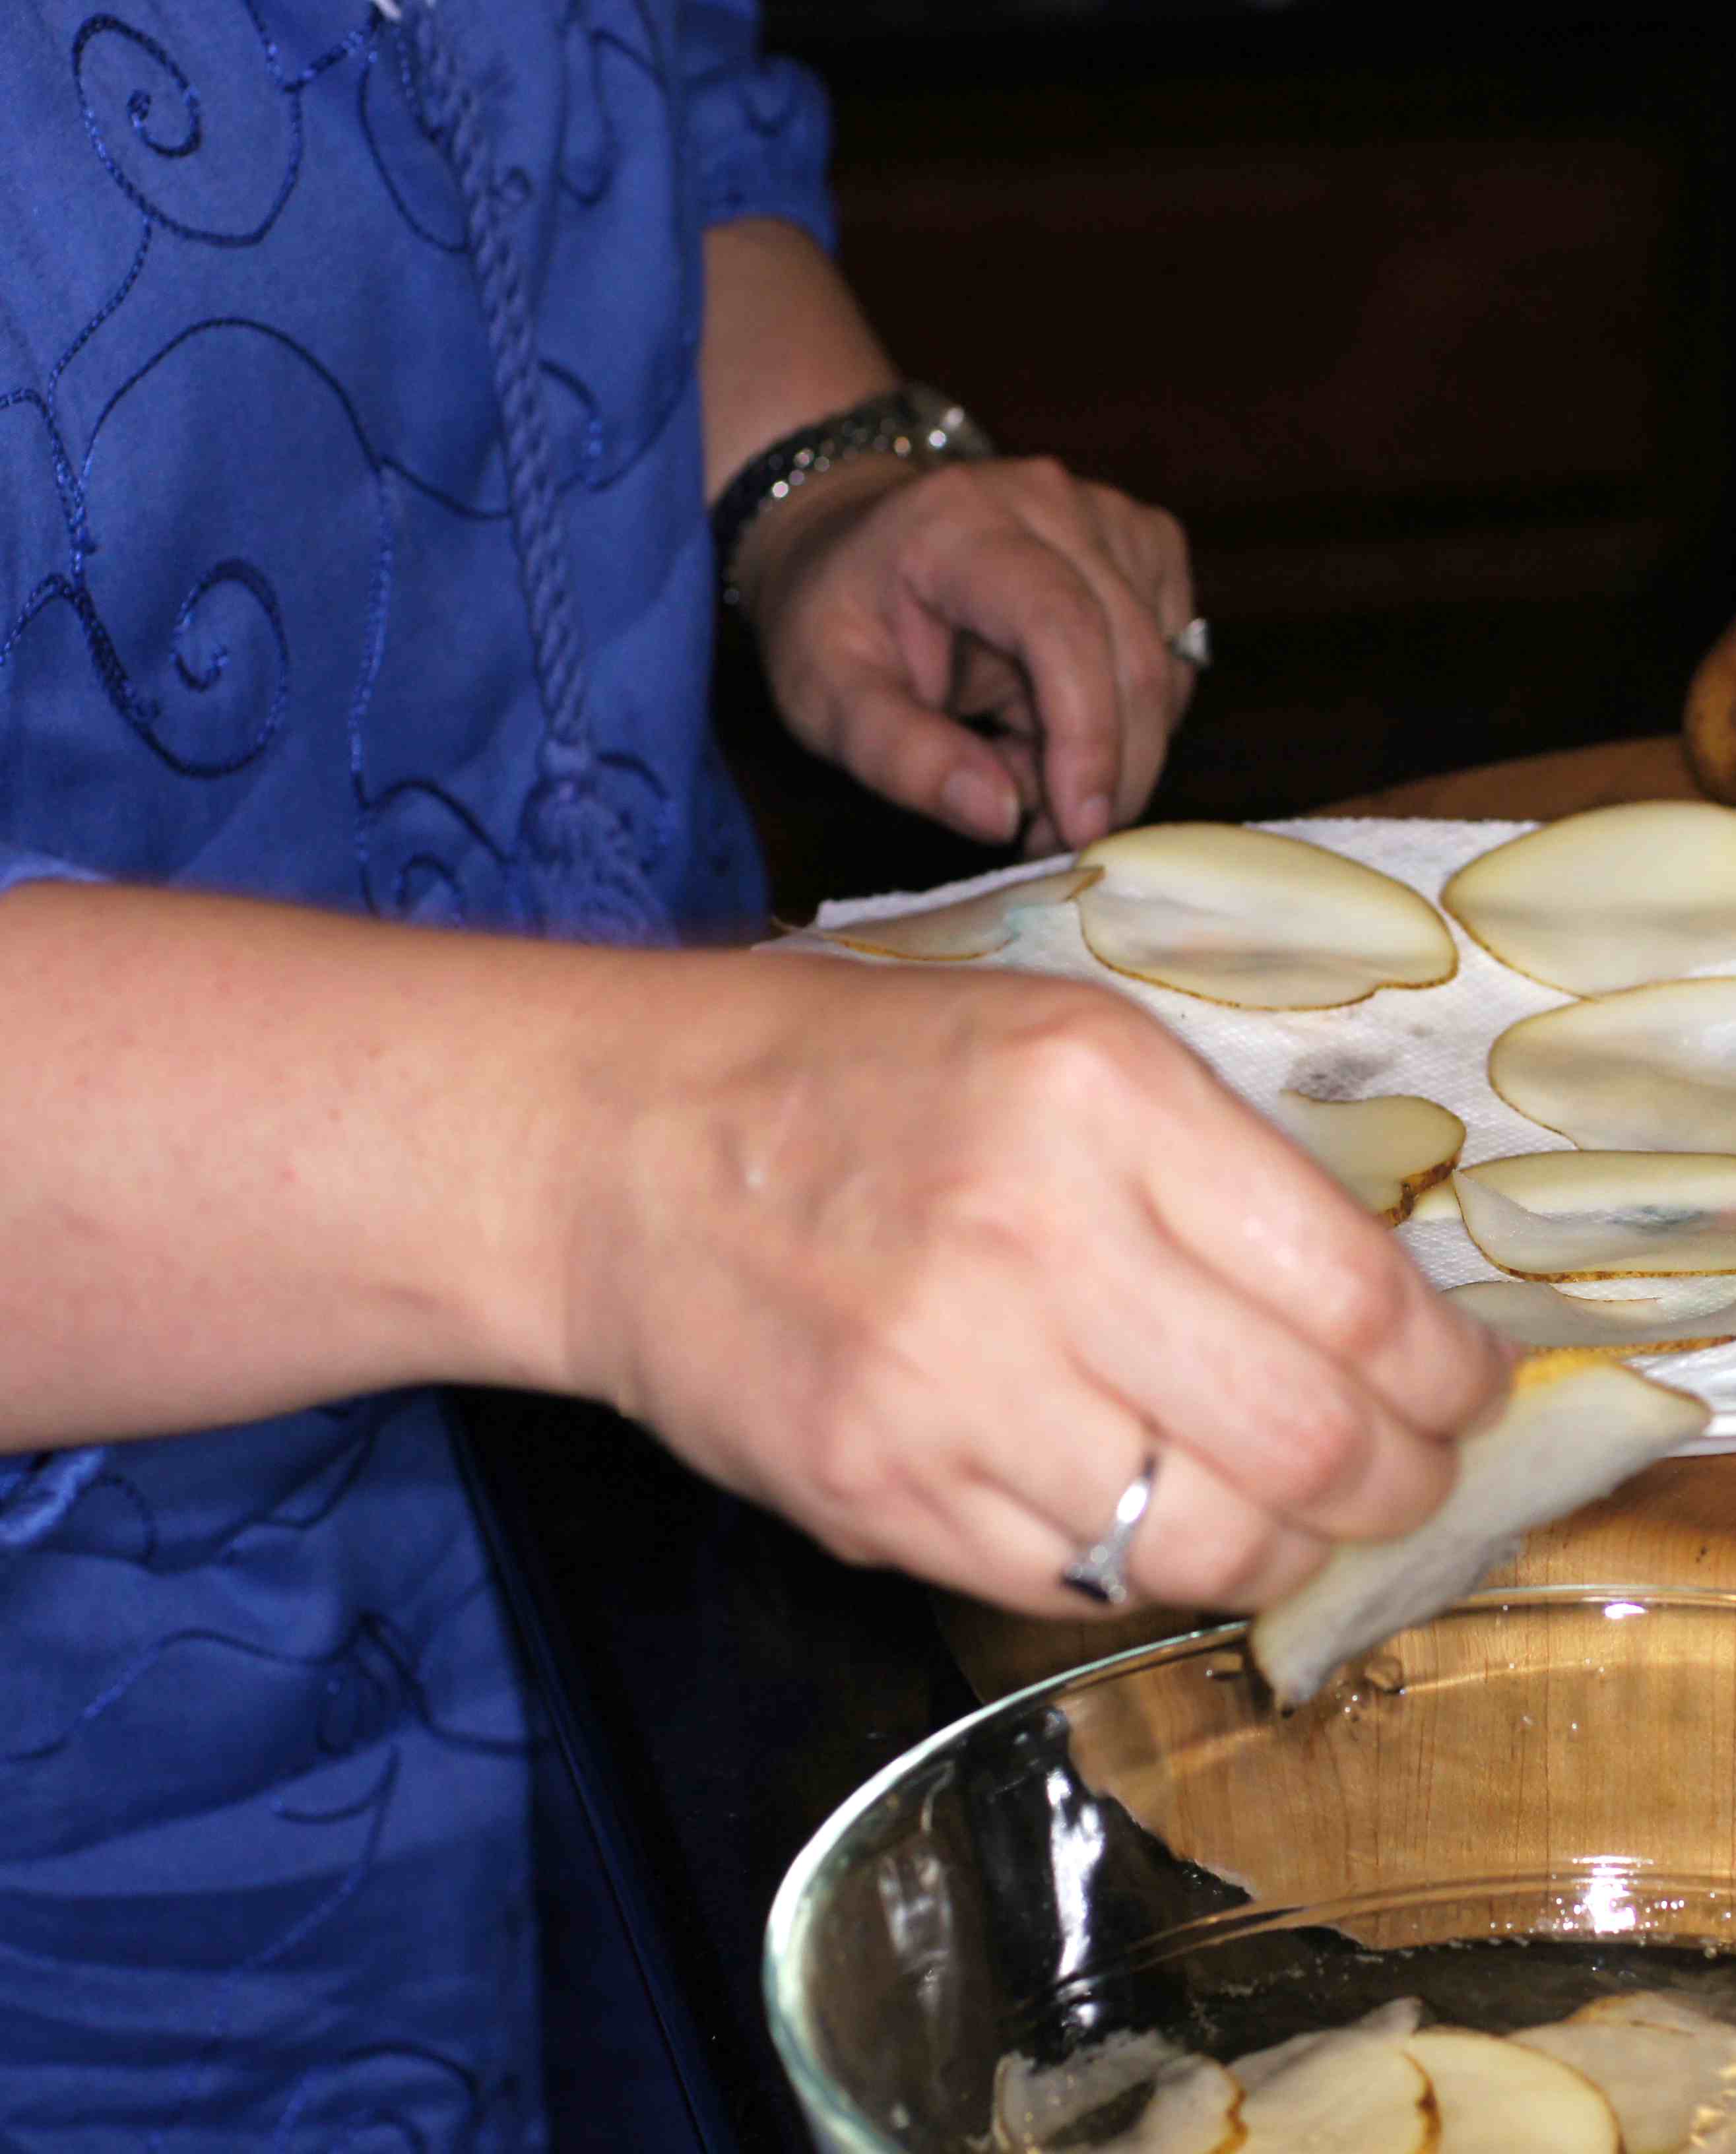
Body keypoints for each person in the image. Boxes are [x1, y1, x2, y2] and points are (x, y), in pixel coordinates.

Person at [0, 4, 1510, 2143]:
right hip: (96, 1856)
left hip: (670, 1592)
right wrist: (638, 1164)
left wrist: (821, 477)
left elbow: (639, 102)